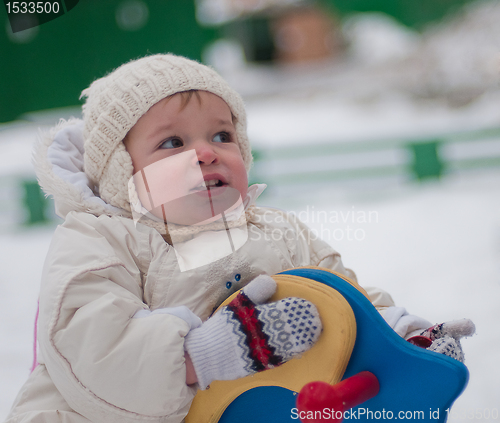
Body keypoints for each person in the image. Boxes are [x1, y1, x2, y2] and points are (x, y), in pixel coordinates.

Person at [5, 54, 474, 423]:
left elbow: (344, 301)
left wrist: (402, 337)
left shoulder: (276, 233)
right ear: (119, 173)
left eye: (222, 134)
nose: (206, 152)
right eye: (173, 142)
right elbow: (91, 349)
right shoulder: (101, 240)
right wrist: (202, 357)